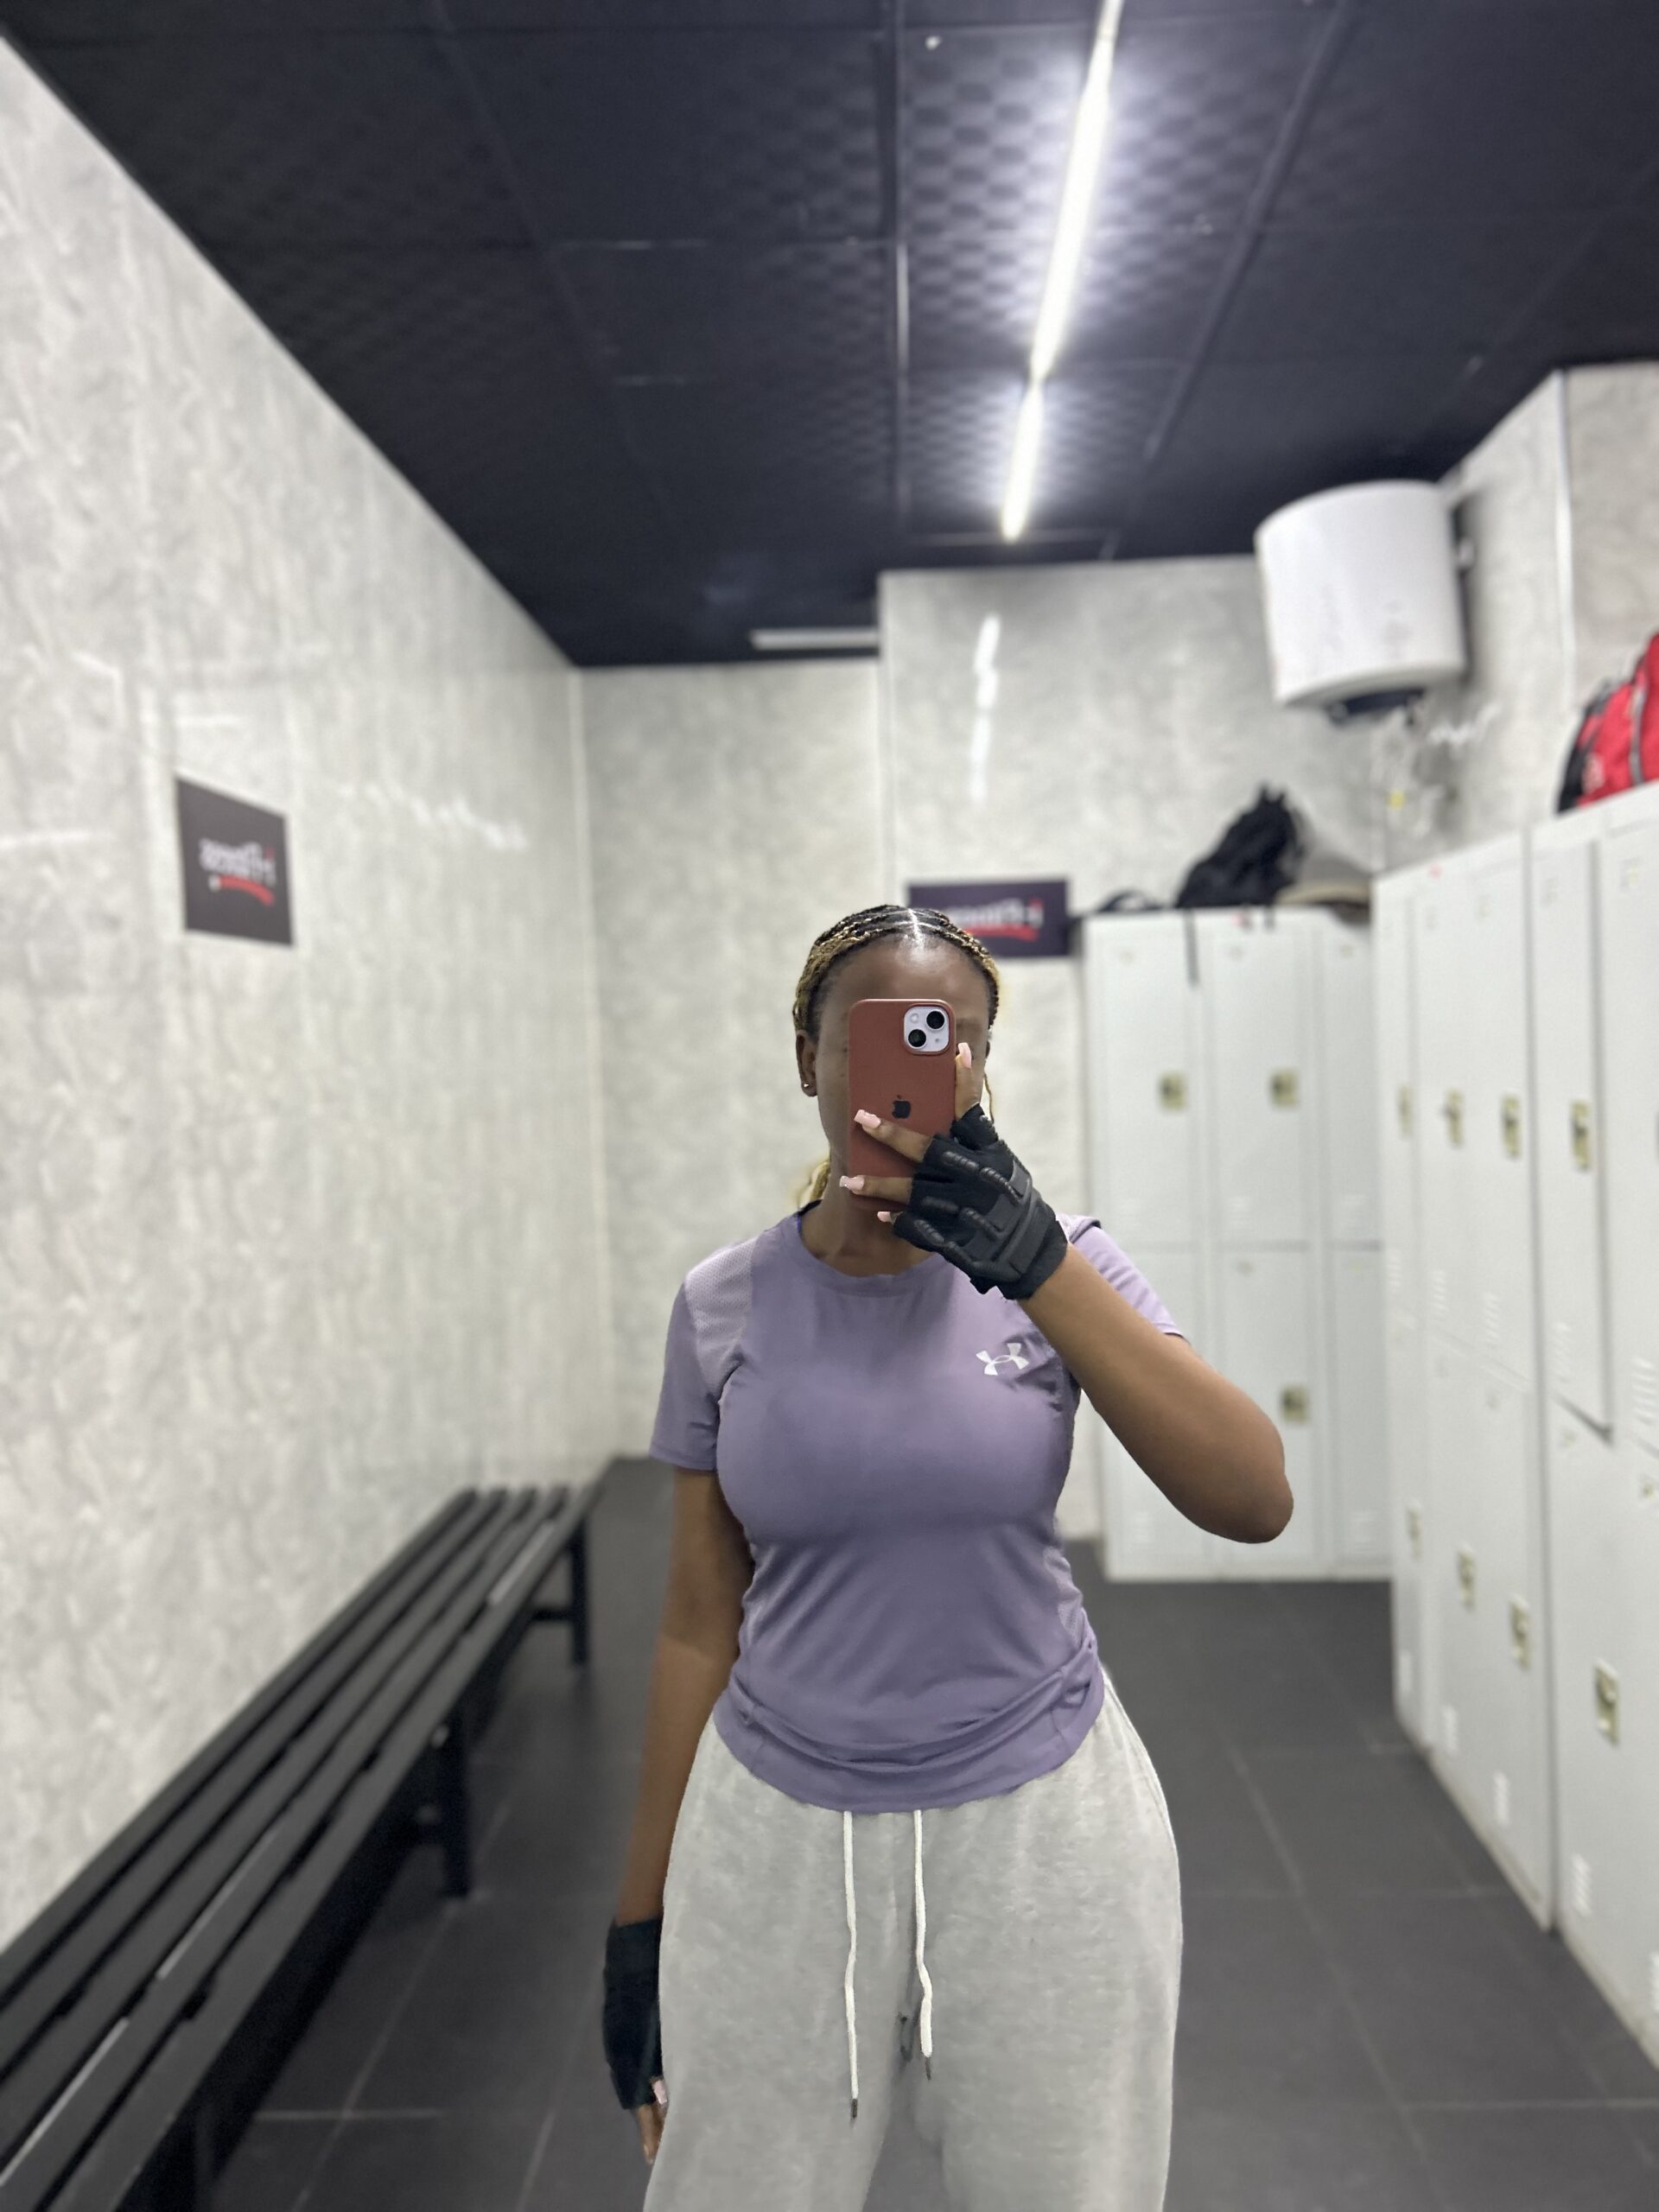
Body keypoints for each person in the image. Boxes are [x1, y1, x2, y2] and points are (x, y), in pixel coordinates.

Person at [601, 902, 1292, 2212]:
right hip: (776, 1836)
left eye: (953, 1039)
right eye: (880, 1037)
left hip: (1046, 1832)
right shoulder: (722, 1304)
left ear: (980, 1068)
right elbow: (697, 1621)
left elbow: (1253, 1496)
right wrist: (639, 1921)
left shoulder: (1065, 1267)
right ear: (808, 1058)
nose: (922, 1068)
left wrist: (1037, 1266)